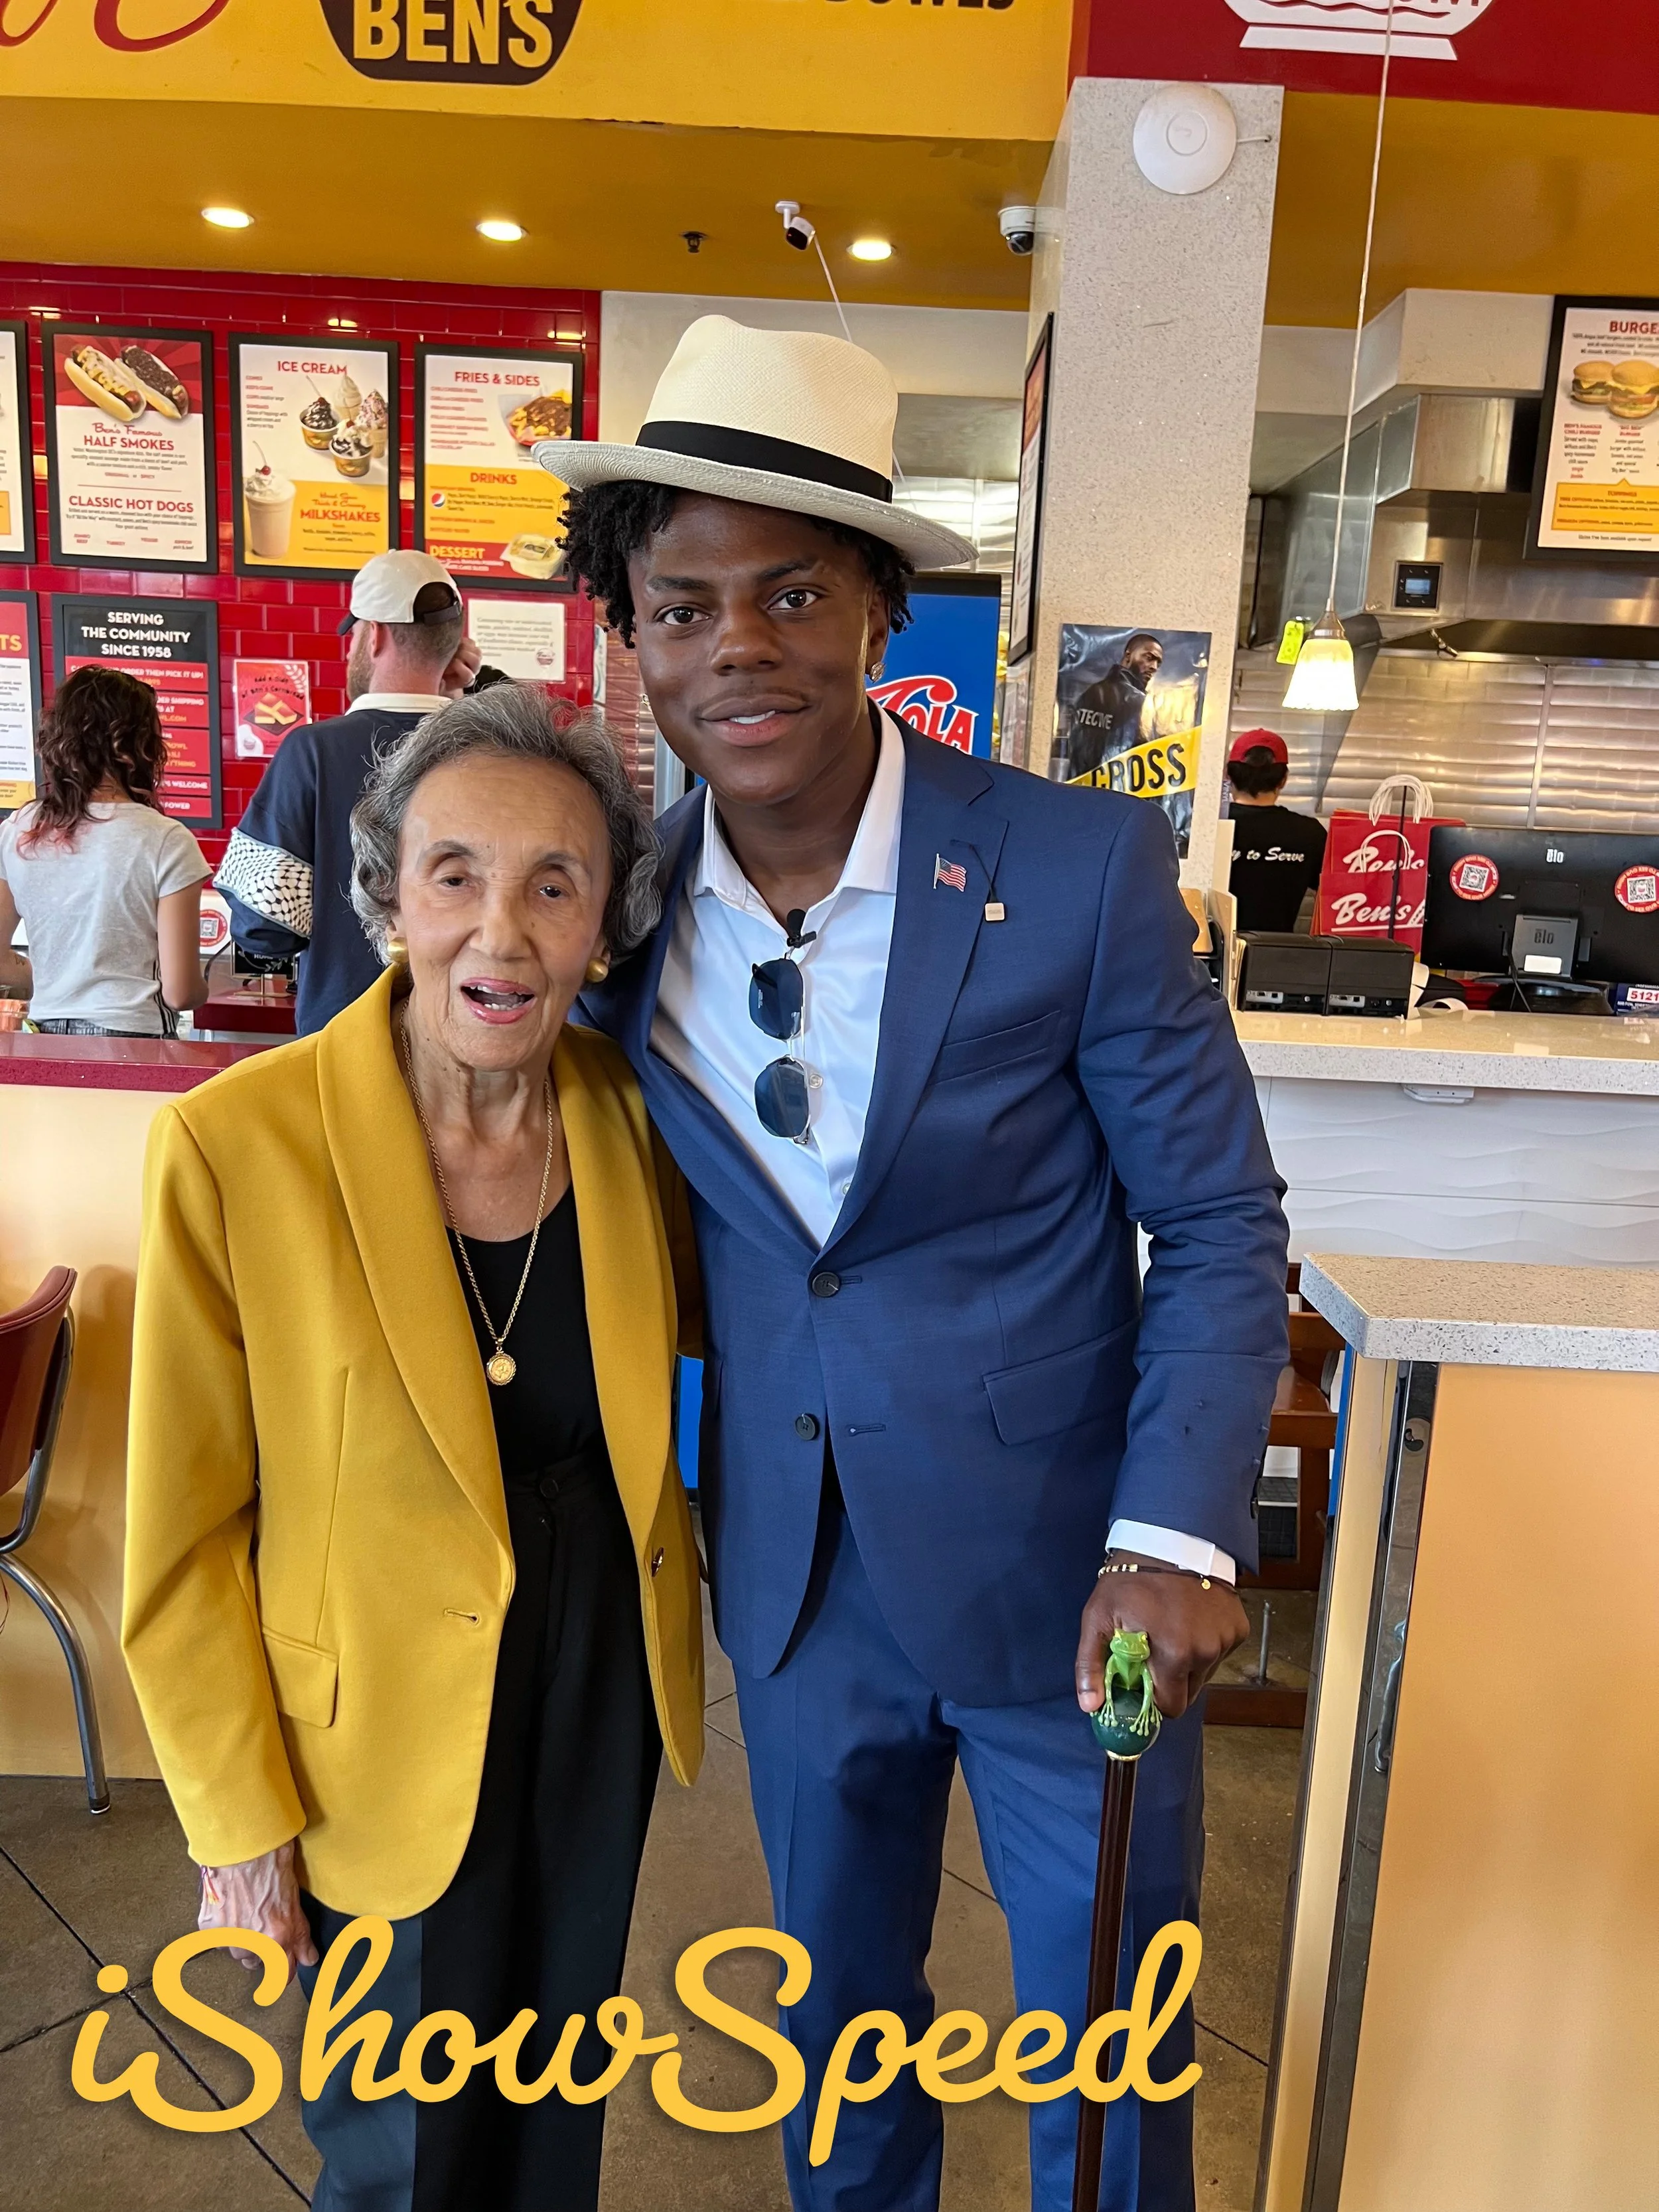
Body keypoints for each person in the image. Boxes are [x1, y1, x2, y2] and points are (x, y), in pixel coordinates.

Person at [555, 316, 1288, 2212]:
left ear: (876, 608)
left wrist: (1177, 1535)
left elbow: (1212, 1219)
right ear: (630, 638)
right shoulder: (618, 910)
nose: (737, 645)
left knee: (1111, 2056)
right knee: (837, 2038)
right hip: (794, 1577)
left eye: (790, 592)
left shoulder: (1077, 867)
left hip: (1073, 1579)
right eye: (681, 603)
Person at [123, 687, 703, 2212]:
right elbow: (180, 1535)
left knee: (552, 2096)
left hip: (591, 1686)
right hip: (364, 1709)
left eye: (553, 886)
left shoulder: (633, 1125)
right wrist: (236, 1824)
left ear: (604, 928)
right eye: (455, 876)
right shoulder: (237, 1146)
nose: (498, 933)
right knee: (399, 2149)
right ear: (387, 897)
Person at [215, 549, 482, 1035]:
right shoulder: (491, 751)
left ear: (375, 635)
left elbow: (262, 930)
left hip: (342, 1043)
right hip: (464, 1040)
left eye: (355, 634)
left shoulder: (313, 751)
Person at [0, 666, 210, 1036]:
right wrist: (205, 989)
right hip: (137, 1039)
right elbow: (181, 993)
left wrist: (56, 979)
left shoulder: (20, 829)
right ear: (141, 746)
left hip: (47, 1039)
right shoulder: (166, 839)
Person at [1226, 729, 1327, 934]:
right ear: (1284, 779)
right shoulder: (1310, 834)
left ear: (1229, 775)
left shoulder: (1204, 829)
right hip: (1278, 958)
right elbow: (1333, 899)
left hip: (1206, 958)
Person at [1066, 631, 1164, 778]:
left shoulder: (1089, 694)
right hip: (1117, 795)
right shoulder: (1141, 703)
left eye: (1158, 663)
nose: (1154, 667)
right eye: (1149, 658)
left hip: (1079, 790)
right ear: (1128, 656)